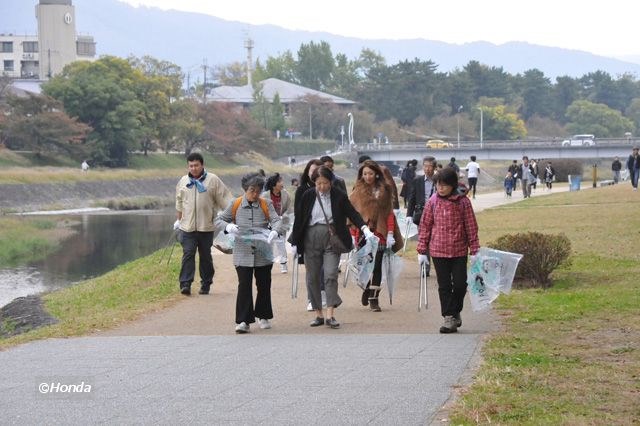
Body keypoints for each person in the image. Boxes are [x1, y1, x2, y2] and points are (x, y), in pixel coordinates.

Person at [288, 166, 372, 329]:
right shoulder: (308, 195)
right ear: (314, 183)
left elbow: (352, 213)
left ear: (330, 182)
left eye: (325, 183)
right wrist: (295, 242)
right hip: (310, 237)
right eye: (318, 183)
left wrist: (364, 228)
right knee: (312, 277)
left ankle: (330, 314)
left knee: (331, 274)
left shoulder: (338, 195)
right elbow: (299, 218)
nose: (322, 187)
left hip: (332, 238)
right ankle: (318, 313)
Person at [216, 172, 285, 334]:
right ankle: (243, 321)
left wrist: (275, 231)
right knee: (244, 286)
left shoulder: (266, 204)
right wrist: (228, 227)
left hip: (263, 251)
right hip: (242, 252)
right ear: (245, 189)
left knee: (264, 284)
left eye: (258, 191)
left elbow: (276, 220)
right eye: (251, 190)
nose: (255, 194)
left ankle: (263, 316)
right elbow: (219, 220)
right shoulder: (235, 204)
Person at [416, 167, 479, 333]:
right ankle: (449, 317)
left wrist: (474, 249)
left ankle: (455, 309)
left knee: (459, 284)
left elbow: (471, 226)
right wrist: (422, 250)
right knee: (444, 285)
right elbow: (425, 226)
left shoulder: (463, 202)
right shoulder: (433, 202)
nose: (440, 188)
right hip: (438, 250)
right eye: (438, 185)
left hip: (458, 250)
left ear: (452, 185)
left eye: (444, 185)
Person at [175, 152, 232, 296]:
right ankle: (185, 283)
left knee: (205, 255)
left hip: (206, 226)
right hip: (187, 227)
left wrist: (232, 217)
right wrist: (178, 220)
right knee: (188, 253)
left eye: (196, 165)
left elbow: (224, 199)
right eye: (191, 166)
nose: (193, 168)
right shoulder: (183, 181)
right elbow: (179, 202)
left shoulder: (213, 180)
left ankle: (206, 283)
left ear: (202, 165)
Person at [349, 160, 402, 312]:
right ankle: (366, 287)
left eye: (371, 173)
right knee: (365, 265)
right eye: (365, 174)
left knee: (377, 265)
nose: (368, 176)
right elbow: (352, 214)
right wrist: (353, 235)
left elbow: (388, 214)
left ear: (377, 174)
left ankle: (374, 298)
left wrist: (391, 232)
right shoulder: (357, 191)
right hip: (363, 234)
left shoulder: (385, 190)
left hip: (380, 233)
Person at [262, 173, 292, 273]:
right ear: (274, 184)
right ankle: (267, 264)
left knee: (281, 243)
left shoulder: (285, 194)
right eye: (279, 181)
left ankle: (283, 264)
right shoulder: (265, 195)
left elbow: (289, 207)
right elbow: (261, 209)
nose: (282, 183)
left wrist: (284, 215)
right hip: (268, 223)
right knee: (268, 243)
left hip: (281, 222)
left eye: (281, 181)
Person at [406, 156, 437, 226]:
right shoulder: (417, 180)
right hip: (421, 213)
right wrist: (409, 215)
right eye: (425, 166)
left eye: (430, 166)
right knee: (422, 235)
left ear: (435, 168)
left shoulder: (439, 181)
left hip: (436, 213)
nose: (427, 169)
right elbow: (412, 198)